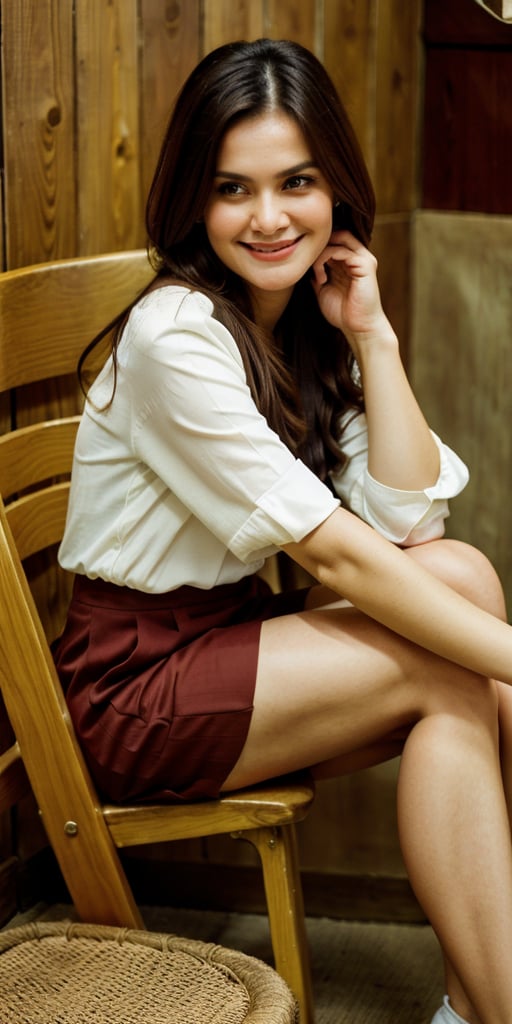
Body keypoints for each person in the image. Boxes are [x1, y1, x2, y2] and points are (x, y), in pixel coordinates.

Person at [52, 38, 512, 1024]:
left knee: (458, 576)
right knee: (455, 661)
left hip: (225, 647)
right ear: (194, 199)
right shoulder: (177, 333)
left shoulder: (293, 321)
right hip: (139, 692)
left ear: (334, 188)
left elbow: (407, 523)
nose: (268, 218)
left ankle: (480, 1005)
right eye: (233, 189)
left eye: (295, 182)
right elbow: (334, 552)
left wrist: (371, 332)